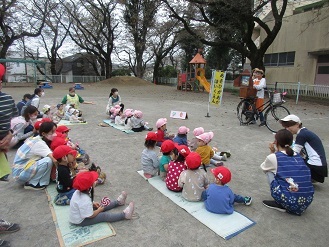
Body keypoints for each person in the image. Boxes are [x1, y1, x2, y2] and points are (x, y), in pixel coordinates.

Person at [260, 129, 314, 215]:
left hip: (290, 202)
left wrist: (272, 152)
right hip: (307, 200)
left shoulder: (274, 157)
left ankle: (280, 204)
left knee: (269, 171)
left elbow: (264, 167)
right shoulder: (298, 155)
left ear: (276, 142)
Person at [69, 171, 135, 226]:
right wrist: (98, 211)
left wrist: (93, 203)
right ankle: (124, 215)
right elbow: (90, 215)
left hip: (82, 213)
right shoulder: (84, 199)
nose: (95, 181)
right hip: (81, 221)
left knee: (101, 205)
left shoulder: (79, 191)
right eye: (93, 181)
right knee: (104, 216)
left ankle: (118, 202)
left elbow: (82, 205)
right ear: (89, 187)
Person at [280, 114, 328, 183]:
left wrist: (281, 149)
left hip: (315, 167)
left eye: (289, 126)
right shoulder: (305, 132)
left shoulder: (301, 135)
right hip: (319, 168)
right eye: (285, 127)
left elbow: (294, 153)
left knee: (287, 161)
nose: (287, 129)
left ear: (297, 124)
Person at [12, 121, 58, 190]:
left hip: (22, 170)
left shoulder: (36, 138)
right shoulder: (39, 143)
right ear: (44, 133)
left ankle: (41, 181)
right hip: (20, 174)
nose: (55, 134)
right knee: (48, 161)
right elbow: (54, 159)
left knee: (46, 159)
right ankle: (33, 183)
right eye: (52, 132)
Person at [0, 64, 19, 181]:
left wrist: (10, 134)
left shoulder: (8, 99)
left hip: (3, 146)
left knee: (3, 178)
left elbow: (16, 120)